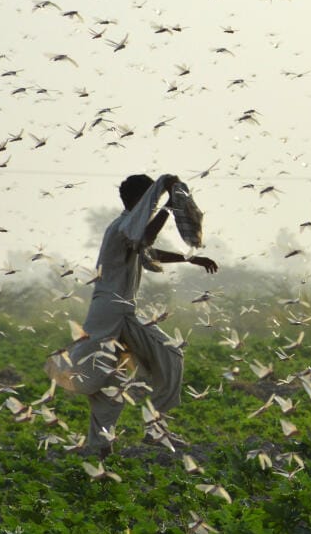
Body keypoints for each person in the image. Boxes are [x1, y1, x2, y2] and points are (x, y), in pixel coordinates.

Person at [46, 174, 217, 457]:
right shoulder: (124, 227)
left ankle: (103, 445)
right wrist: (168, 209)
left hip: (114, 311)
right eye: (152, 199)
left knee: (111, 382)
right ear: (141, 200)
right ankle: (150, 430)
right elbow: (145, 239)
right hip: (113, 313)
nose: (155, 205)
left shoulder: (125, 228)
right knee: (168, 355)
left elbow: (149, 251)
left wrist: (190, 258)